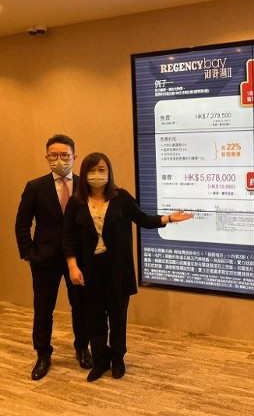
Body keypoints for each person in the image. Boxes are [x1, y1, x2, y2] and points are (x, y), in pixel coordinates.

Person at [63, 152, 192, 382]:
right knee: (94, 317)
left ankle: (117, 358)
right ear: (84, 174)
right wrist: (72, 266)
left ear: (109, 172)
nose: (96, 175)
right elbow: (68, 237)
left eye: (101, 170)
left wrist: (169, 218)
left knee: (118, 315)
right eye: (91, 170)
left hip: (118, 269)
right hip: (89, 269)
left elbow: (143, 219)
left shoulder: (121, 197)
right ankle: (100, 359)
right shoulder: (76, 202)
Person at [15, 134, 93, 380]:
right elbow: (22, 224)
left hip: (78, 260)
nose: (60, 159)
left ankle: (82, 348)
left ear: (74, 156)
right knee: (43, 308)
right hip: (44, 259)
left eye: (65, 155)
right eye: (54, 155)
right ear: (47, 156)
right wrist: (29, 253)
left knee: (80, 306)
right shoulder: (35, 187)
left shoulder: (85, 185)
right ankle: (43, 354)